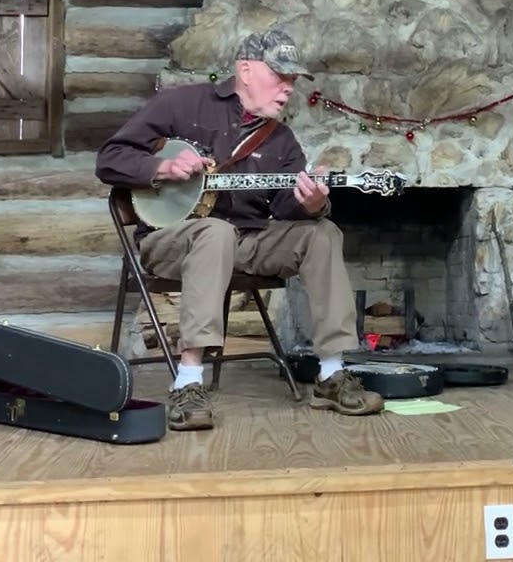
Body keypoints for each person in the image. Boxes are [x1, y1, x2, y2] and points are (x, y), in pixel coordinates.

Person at [95, 27, 384, 431]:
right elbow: (109, 158)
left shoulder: (282, 140)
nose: (288, 88)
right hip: (170, 239)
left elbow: (285, 207)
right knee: (215, 232)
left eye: (293, 80)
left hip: (247, 241)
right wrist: (162, 167)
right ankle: (188, 382)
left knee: (322, 233)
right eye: (279, 76)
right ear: (245, 71)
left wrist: (312, 204)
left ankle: (331, 373)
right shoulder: (182, 104)